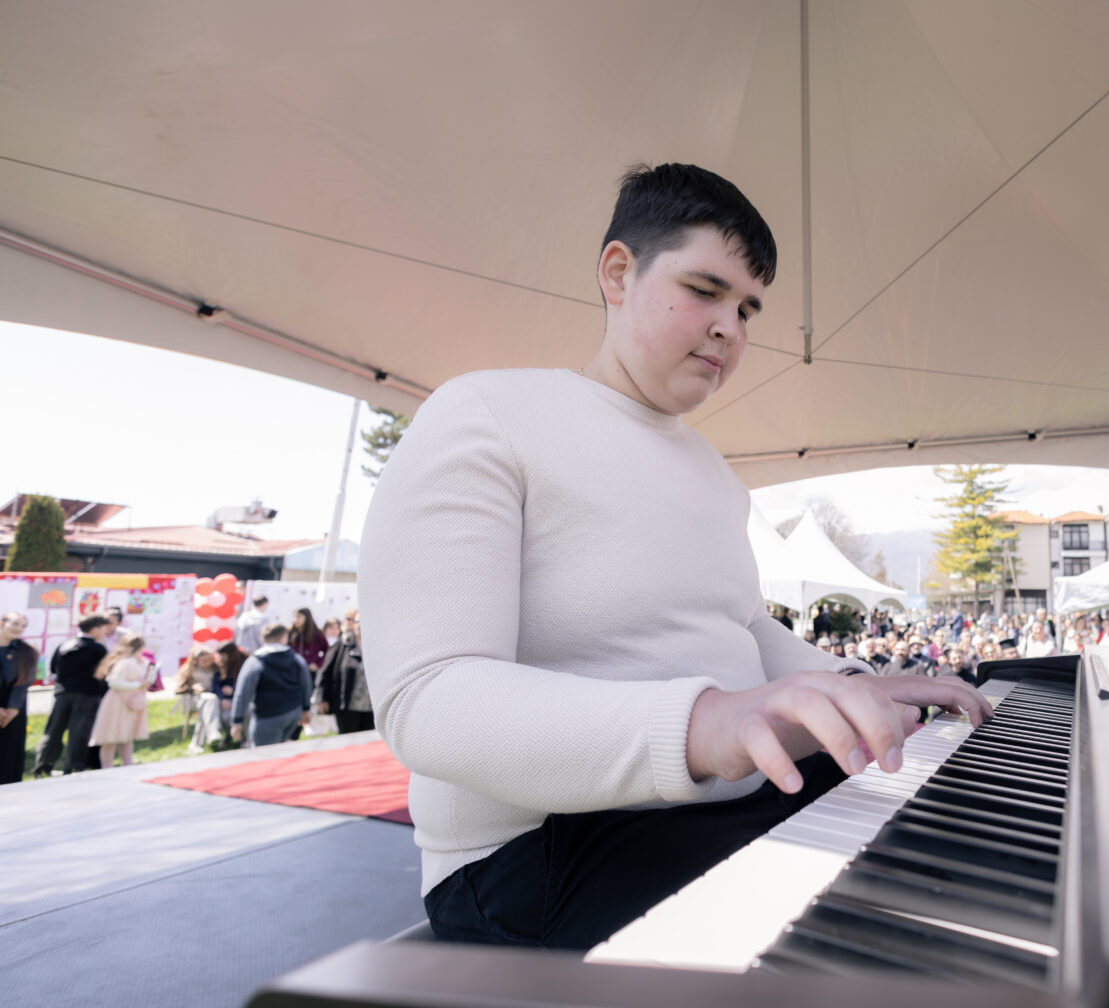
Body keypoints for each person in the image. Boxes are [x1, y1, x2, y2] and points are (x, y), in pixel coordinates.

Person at [359, 163, 990, 951]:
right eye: (705, 290)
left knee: (946, 847)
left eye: (747, 308)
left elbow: (743, 629)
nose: (731, 327)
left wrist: (858, 685)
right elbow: (428, 700)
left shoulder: (715, 474)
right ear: (617, 273)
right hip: (541, 851)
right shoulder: (486, 413)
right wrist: (705, 722)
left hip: (725, 804)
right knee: (882, 933)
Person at [34, 614, 112, 776]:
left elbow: (54, 668)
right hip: (87, 694)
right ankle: (73, 767)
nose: (105, 632)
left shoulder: (64, 644)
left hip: (63, 693)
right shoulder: (98, 648)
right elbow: (104, 672)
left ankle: (43, 765)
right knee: (79, 731)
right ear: (95, 629)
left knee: (54, 729)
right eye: (103, 628)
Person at [230, 623, 313, 747]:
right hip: (293, 712)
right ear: (284, 638)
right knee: (283, 748)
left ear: (262, 638)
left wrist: (237, 720)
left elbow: (242, 692)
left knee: (263, 754)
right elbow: (306, 684)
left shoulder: (255, 662)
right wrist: (306, 708)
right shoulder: (296, 659)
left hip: (268, 716)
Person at [88, 632, 151, 767]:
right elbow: (114, 683)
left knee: (126, 736)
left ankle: (127, 765)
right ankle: (107, 767)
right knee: (110, 737)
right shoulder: (124, 663)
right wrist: (138, 685)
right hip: (117, 702)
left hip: (130, 702)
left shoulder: (138, 662)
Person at [0, 612, 38, 785]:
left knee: (10, 749)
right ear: (2, 623)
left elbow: (25, 680)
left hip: (13, 706)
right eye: (15, 624)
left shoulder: (27, 651)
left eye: (23, 626)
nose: (19, 629)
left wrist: (13, 708)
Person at [176, 645, 231, 753]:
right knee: (209, 700)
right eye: (204, 661)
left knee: (209, 705)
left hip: (213, 700)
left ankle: (206, 741)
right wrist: (192, 688)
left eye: (210, 660)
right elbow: (178, 689)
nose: (208, 663)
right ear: (196, 661)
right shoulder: (189, 670)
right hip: (194, 699)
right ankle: (213, 732)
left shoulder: (216, 668)